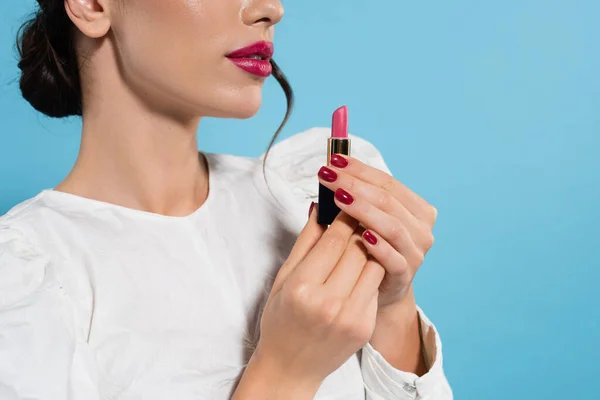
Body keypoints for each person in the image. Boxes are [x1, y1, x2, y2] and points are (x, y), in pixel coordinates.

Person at [0, 0, 453, 398]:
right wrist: (285, 371)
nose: (270, 8)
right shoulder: (27, 279)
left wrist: (393, 307)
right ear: (93, 4)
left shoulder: (301, 194)